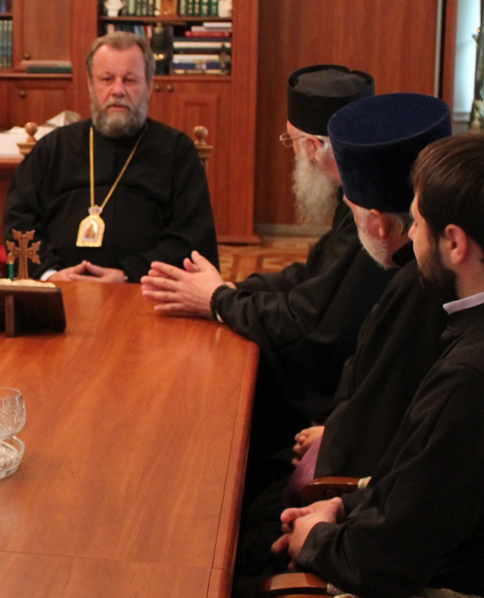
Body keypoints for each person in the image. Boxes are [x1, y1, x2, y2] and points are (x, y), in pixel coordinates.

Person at [274, 132, 484, 598]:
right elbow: (424, 490)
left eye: (417, 222)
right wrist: (342, 509)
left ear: (454, 243)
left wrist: (316, 539)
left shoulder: (477, 380)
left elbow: (385, 560)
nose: (409, 234)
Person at [232, 93, 451, 598]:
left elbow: (381, 418)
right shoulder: (428, 277)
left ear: (378, 222)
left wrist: (333, 447)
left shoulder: (415, 292)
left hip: (352, 510)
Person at [140, 65, 392, 496]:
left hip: (335, 385)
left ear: (314, 146)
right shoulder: (356, 197)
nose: (292, 153)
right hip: (338, 365)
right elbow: (311, 277)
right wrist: (234, 291)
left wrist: (219, 301)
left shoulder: (370, 219)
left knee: (230, 386)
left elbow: (310, 326)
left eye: (291, 141)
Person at [2, 31, 218, 283]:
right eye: (107, 79)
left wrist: (130, 274)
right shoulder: (53, 148)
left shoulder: (177, 152)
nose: (118, 90)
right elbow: (19, 221)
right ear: (90, 85)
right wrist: (50, 274)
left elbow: (191, 237)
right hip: (57, 291)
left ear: (149, 86)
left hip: (144, 292)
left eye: (130, 80)